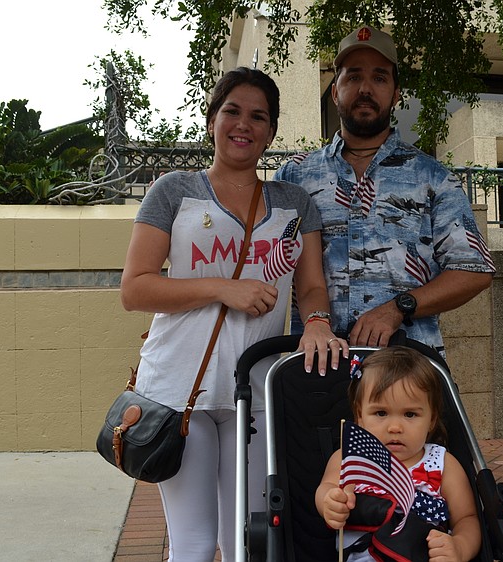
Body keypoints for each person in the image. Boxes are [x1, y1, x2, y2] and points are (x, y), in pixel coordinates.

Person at [120, 67, 348, 562]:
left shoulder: (293, 204)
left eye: (258, 116)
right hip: (181, 393)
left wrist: (316, 322)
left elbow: (310, 286)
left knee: (247, 541)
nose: (243, 124)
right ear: (211, 120)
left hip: (258, 393)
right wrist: (224, 288)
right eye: (232, 111)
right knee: (196, 545)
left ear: (270, 131)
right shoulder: (174, 191)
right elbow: (135, 289)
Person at [274, 26, 496, 356]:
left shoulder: (433, 177)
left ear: (395, 94)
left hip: (408, 370)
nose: (365, 89)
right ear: (335, 92)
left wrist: (398, 307)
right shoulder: (295, 175)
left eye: (379, 78)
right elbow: (263, 258)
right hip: (318, 371)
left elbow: (472, 271)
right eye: (353, 77)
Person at [316, 346, 482, 561]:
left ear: (431, 419)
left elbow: (467, 518)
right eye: (381, 413)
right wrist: (329, 502)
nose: (395, 427)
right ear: (359, 415)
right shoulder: (350, 456)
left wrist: (459, 547)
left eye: (410, 414)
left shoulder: (442, 464)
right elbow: (326, 488)